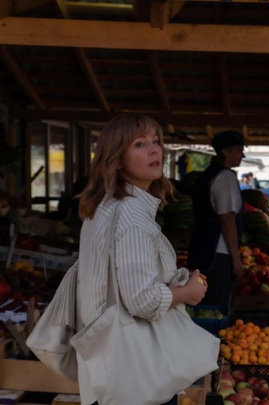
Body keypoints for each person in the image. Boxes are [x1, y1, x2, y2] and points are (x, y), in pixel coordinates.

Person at [76, 114, 208, 405]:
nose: (154, 150)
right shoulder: (132, 216)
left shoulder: (104, 207)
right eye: (139, 144)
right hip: (134, 373)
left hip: (107, 367)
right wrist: (188, 292)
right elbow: (141, 300)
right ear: (117, 158)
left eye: (155, 141)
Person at [187, 130, 246, 308]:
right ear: (226, 151)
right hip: (217, 253)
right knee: (216, 304)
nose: (242, 155)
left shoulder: (208, 174)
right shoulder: (225, 177)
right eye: (239, 150)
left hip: (202, 248)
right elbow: (227, 218)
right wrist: (236, 260)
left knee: (201, 305)